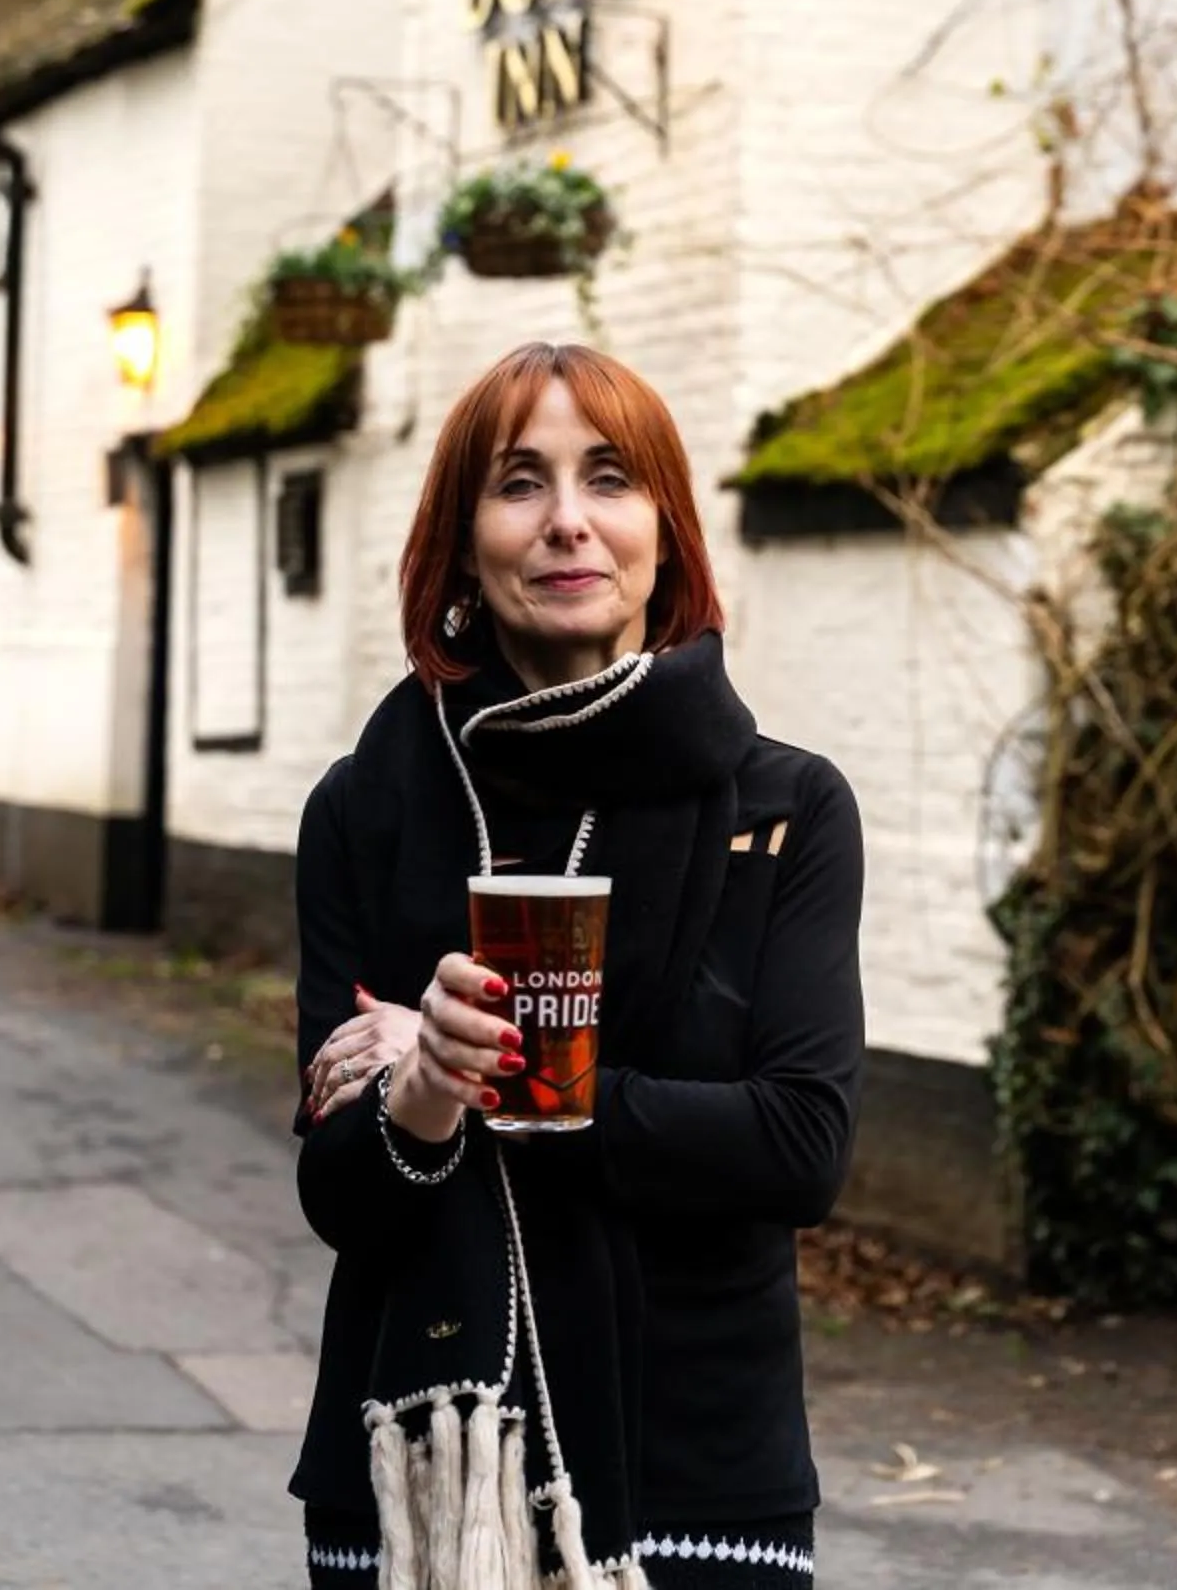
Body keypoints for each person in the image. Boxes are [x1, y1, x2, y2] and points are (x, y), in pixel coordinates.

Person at [290, 340, 865, 1590]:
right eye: (517, 483)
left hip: (695, 1465)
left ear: (664, 528)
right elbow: (340, 1197)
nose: (566, 523)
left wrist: (493, 1078)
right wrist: (416, 1098)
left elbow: (797, 1144)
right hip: (422, 1465)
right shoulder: (363, 812)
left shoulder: (782, 808)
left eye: (607, 479)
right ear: (460, 544)